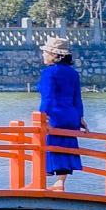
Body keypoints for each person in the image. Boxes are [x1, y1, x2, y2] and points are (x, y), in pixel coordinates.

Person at [36, 37, 85, 191]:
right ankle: (60, 183)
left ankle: (41, 182)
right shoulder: (72, 73)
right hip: (71, 115)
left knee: (46, 145)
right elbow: (77, 97)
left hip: (55, 114)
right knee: (65, 146)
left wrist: (42, 115)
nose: (43, 55)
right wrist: (80, 117)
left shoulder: (49, 72)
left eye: (46, 52)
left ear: (55, 55)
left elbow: (48, 96)